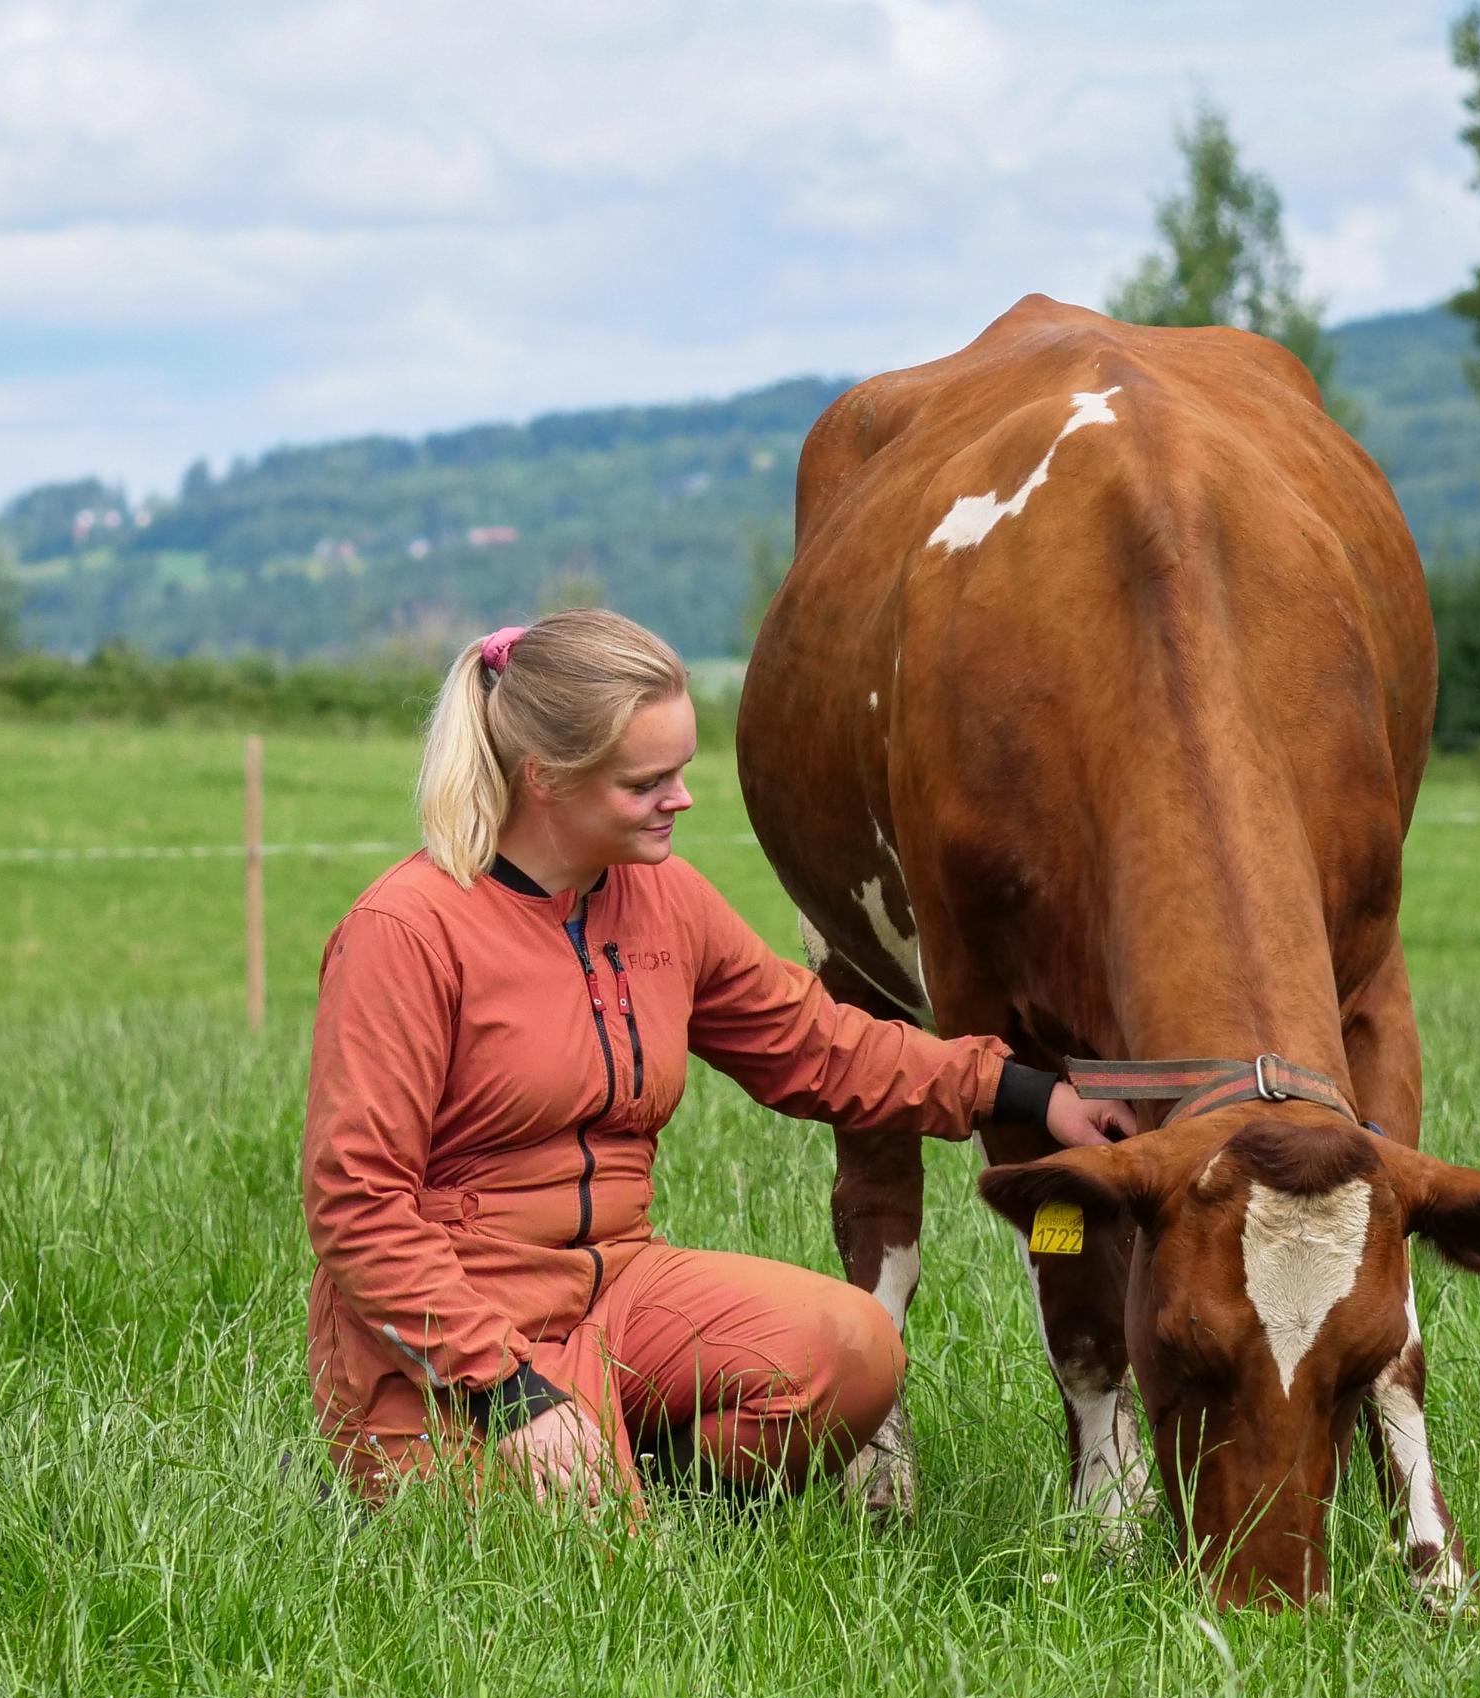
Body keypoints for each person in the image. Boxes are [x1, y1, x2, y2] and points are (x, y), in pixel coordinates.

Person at [301, 609, 1129, 1505]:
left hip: (620, 1289)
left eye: (682, 770)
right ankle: (405, 1471)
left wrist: (1026, 1093)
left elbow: (819, 1047)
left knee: (854, 1351)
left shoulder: (667, 900)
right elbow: (358, 1206)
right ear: (546, 779)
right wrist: (508, 1393)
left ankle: (647, 1479)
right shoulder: (405, 932)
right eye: (647, 781)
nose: (681, 799)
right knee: (561, 1569)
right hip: (455, 1323)